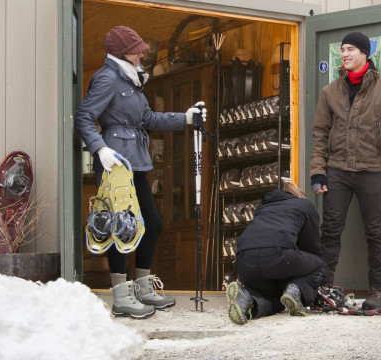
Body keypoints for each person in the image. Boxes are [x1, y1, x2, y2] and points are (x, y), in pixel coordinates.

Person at [76, 25, 206, 319]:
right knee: (121, 225)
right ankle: (121, 296)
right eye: (136, 49)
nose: (142, 53)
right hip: (115, 161)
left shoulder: (131, 79)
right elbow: (85, 116)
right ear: (123, 52)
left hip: (136, 160)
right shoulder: (108, 78)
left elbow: (146, 118)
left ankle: (144, 287)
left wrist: (185, 118)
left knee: (152, 223)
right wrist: (100, 148)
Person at [309, 31, 381, 311]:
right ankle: (326, 289)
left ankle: (377, 291)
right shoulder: (330, 92)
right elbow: (320, 133)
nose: (345, 54)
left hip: (371, 169)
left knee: (375, 232)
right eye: (342, 50)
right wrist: (318, 172)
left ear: (365, 53)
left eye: (351, 49)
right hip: (337, 170)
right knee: (330, 230)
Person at [226, 183, 327, 325]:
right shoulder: (305, 205)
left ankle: (246, 298)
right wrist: (310, 282)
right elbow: (311, 246)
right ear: (299, 194)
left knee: (274, 300)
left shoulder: (263, 207)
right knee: (320, 265)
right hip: (278, 254)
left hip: (244, 260)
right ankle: (296, 291)